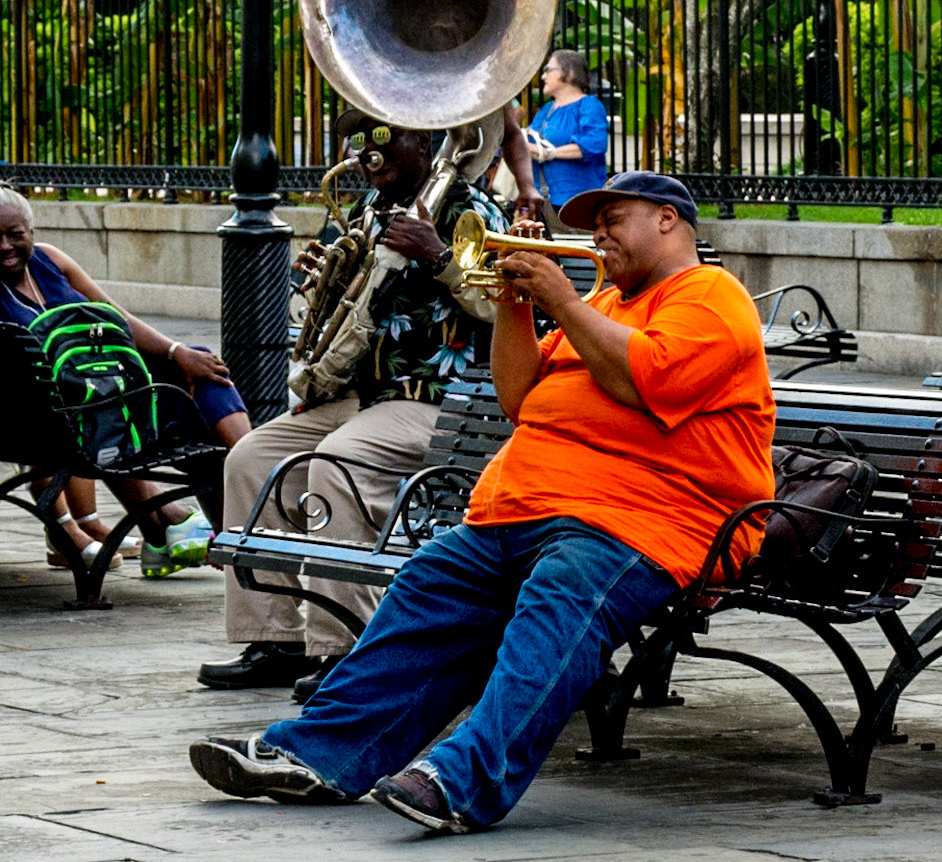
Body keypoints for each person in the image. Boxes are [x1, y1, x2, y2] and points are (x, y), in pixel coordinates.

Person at [189, 170, 776, 832]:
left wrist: (563, 298)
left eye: (615, 217)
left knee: (559, 598)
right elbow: (520, 394)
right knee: (427, 585)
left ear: (670, 219)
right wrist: (516, 305)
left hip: (640, 522)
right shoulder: (609, 303)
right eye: (595, 222)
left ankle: (462, 780)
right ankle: (316, 754)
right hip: (524, 510)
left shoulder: (711, 296)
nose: (599, 233)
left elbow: (643, 380)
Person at [195, 110, 508, 699]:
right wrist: (324, 279)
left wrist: (437, 255)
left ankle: (344, 646)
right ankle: (274, 638)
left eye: (383, 138)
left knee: (334, 462)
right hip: (356, 395)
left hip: (435, 397)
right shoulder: (366, 209)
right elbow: (349, 309)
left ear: (423, 138)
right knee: (250, 457)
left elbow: (502, 306)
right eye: (359, 141)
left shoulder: (471, 208)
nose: (369, 153)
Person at [0, 184, 251, 576]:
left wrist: (175, 352)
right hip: (60, 416)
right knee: (124, 410)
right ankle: (178, 521)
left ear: (32, 232)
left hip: (108, 392)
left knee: (200, 363)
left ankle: (249, 488)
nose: (5, 246)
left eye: (15, 234)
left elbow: (113, 316)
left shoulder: (51, 260)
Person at [525, 49, 609, 216]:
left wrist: (550, 152)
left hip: (579, 202)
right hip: (545, 201)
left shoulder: (589, 106)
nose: (543, 76)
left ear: (569, 73)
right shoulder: (546, 110)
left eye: (548, 70)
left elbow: (594, 145)